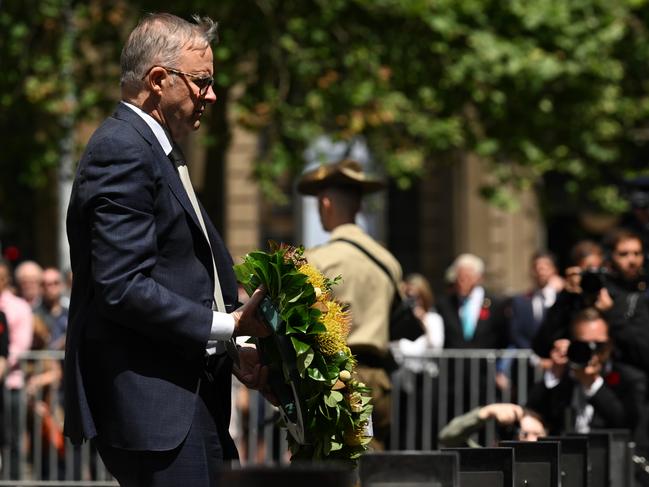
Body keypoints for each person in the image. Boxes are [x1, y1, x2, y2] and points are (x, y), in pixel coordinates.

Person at [64, 13, 272, 486]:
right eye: (203, 82)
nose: (212, 95)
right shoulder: (123, 148)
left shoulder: (152, 149)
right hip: (156, 411)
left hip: (183, 401)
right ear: (159, 80)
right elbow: (121, 286)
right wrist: (229, 324)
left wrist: (232, 346)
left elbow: (179, 274)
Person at [296, 158, 401, 451]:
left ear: (326, 203)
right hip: (378, 380)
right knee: (373, 464)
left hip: (334, 379)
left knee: (329, 465)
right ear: (358, 205)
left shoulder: (318, 261)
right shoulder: (388, 263)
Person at [526, 308, 644, 436]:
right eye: (584, 346)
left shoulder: (628, 379)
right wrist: (555, 373)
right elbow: (535, 412)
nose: (592, 352)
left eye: (598, 345)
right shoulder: (565, 377)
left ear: (609, 345)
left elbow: (629, 425)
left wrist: (593, 385)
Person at [0, 258, 34, 477]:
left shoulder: (18, 306)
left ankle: (12, 479)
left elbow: (19, 346)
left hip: (11, 383)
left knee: (11, 437)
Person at [438, 403, 547, 448]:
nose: (532, 440)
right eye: (525, 434)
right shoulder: (493, 466)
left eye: (537, 434)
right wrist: (487, 411)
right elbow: (446, 437)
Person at [34, 267, 68, 350]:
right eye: (47, 284)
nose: (51, 288)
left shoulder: (70, 312)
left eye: (55, 283)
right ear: (41, 287)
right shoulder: (34, 314)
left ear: (62, 285)